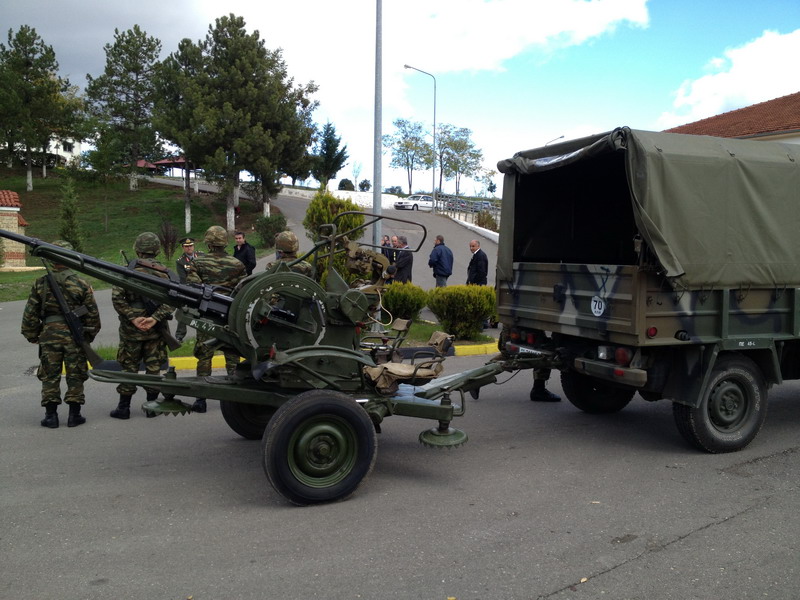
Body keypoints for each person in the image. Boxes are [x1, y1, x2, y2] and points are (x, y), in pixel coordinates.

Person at [21, 240, 101, 429]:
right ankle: (75, 415)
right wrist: (87, 337)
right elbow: (92, 316)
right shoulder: (82, 284)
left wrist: (33, 335)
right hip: (75, 336)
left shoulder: (41, 283)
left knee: (50, 374)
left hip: (49, 335)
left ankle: (51, 417)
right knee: (75, 374)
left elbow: (30, 314)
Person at [110, 232, 176, 420]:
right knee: (153, 367)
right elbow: (172, 300)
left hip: (131, 330)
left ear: (137, 249)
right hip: (155, 330)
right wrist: (155, 318)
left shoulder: (127, 270)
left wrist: (133, 318)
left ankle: (124, 408)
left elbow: (117, 298)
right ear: (157, 249)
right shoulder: (165, 273)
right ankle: (152, 407)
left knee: (128, 367)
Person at [186, 225, 247, 413]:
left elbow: (192, 287)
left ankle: (201, 399)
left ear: (209, 242)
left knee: (204, 355)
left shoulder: (198, 263)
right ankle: (236, 396)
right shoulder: (237, 264)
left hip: (207, 316)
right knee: (232, 355)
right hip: (229, 316)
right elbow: (244, 290)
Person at [174, 237, 202, 342]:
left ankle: (202, 336)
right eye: (186, 247)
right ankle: (179, 336)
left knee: (202, 314)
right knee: (183, 311)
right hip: (189, 290)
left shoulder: (201, 256)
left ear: (193, 246)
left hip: (203, 289)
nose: (189, 248)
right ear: (183, 248)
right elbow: (183, 279)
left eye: (190, 246)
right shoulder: (180, 262)